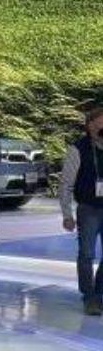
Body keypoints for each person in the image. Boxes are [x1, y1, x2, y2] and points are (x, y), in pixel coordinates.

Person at [59, 107, 103, 315]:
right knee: (86, 254)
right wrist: (67, 214)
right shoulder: (78, 149)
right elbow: (66, 183)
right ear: (90, 124)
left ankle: (99, 292)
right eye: (101, 121)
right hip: (88, 208)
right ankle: (89, 296)